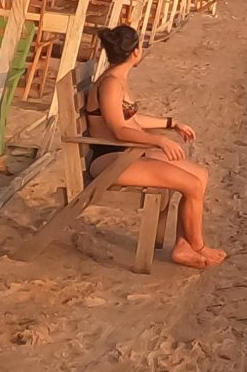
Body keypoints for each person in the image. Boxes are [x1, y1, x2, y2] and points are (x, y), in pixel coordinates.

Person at [83, 24, 223, 268]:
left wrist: (171, 124)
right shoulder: (111, 84)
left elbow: (131, 120)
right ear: (136, 51)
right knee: (190, 185)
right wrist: (158, 140)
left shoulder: (118, 79)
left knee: (200, 175)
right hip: (109, 160)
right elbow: (118, 129)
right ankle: (198, 246)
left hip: (127, 154)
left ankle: (183, 246)